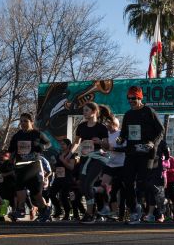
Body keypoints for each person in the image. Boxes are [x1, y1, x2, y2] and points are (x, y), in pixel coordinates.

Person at [119, 86, 164, 224]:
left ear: (140, 98)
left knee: (143, 183)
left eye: (134, 98)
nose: (131, 101)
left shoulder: (149, 111)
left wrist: (152, 143)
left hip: (147, 153)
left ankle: (158, 192)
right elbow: (124, 133)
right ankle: (135, 210)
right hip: (132, 152)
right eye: (129, 99)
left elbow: (161, 131)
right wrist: (120, 139)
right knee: (127, 181)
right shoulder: (128, 114)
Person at [70, 102, 112, 223]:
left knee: (88, 184)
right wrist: (69, 154)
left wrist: (99, 141)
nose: (84, 112)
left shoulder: (101, 128)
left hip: (98, 158)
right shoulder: (81, 126)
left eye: (86, 110)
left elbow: (107, 146)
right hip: (85, 158)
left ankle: (90, 214)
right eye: (83, 110)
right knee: (83, 186)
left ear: (94, 112)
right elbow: (77, 143)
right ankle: (101, 190)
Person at [8, 113, 51, 222]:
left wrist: (40, 147)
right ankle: (42, 210)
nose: (23, 123)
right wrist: (10, 161)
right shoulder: (17, 135)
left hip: (34, 164)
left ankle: (26, 210)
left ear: (31, 122)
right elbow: (12, 150)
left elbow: (48, 144)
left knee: (35, 193)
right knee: (28, 190)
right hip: (20, 165)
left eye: (25, 121)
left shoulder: (37, 134)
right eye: (21, 121)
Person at [49, 139, 75, 220]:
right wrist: (52, 163)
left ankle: (67, 214)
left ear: (68, 145)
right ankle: (58, 210)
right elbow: (54, 169)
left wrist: (63, 160)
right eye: (61, 144)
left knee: (63, 197)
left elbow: (71, 167)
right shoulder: (58, 155)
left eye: (63, 144)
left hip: (67, 179)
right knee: (51, 194)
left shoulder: (71, 155)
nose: (61, 145)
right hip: (58, 178)